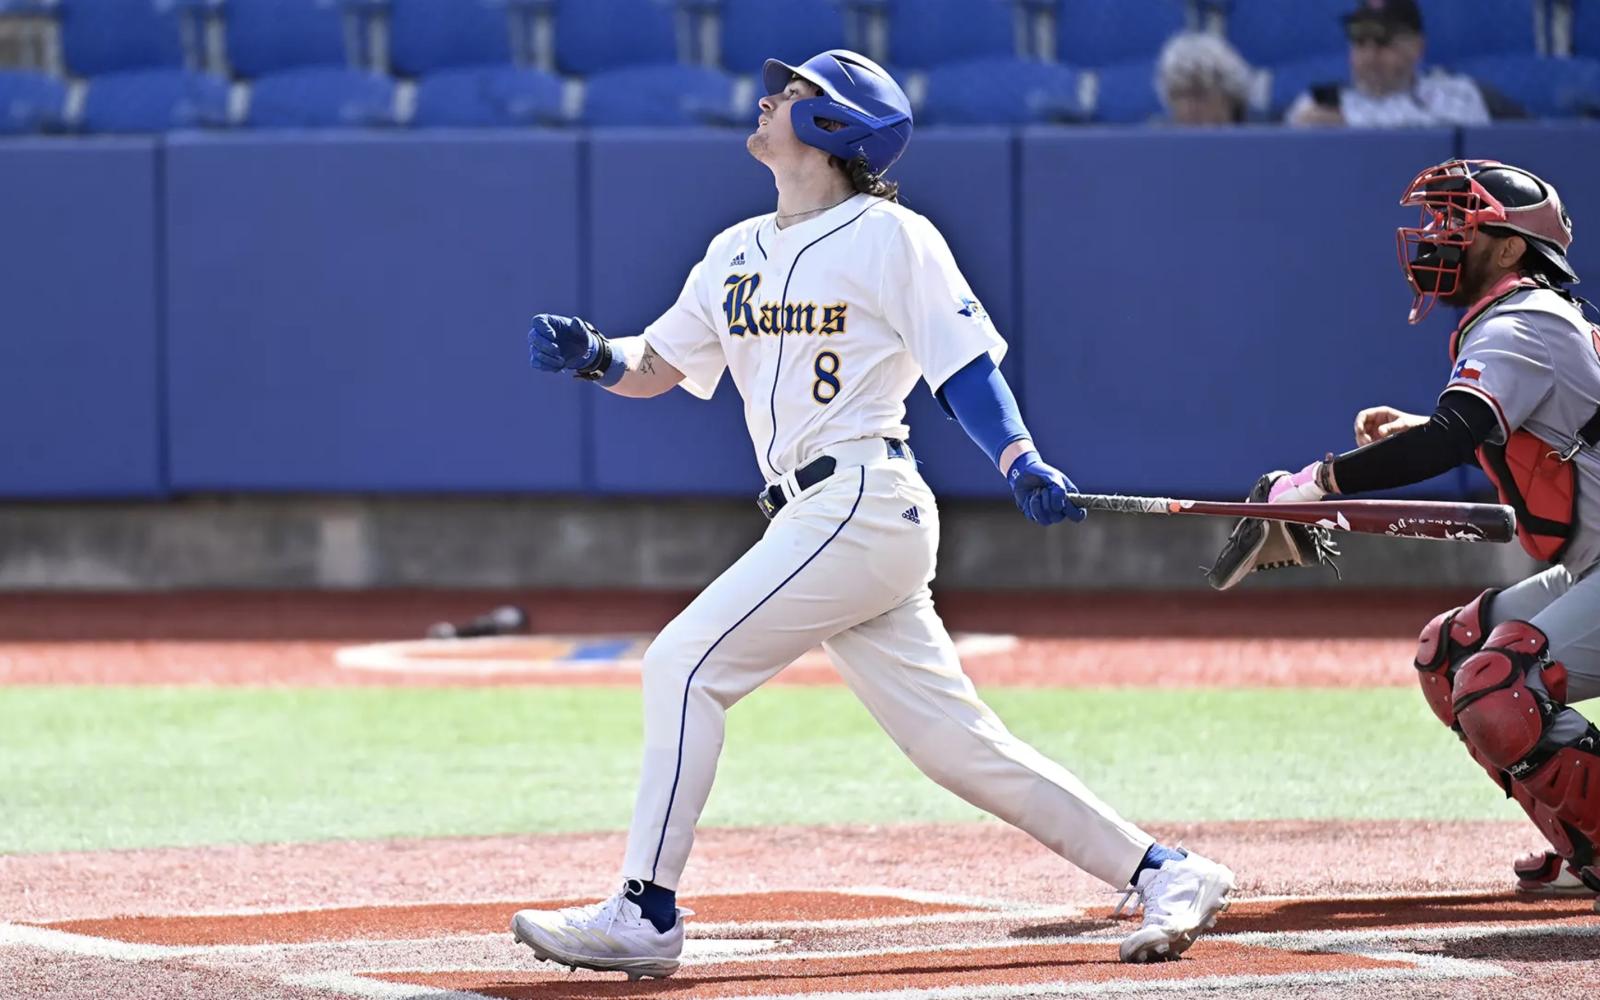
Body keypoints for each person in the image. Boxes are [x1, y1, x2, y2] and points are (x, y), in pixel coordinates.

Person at [508, 49, 1235, 979]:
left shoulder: (893, 237)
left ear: (834, 127)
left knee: (683, 665)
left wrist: (1018, 457)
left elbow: (965, 367)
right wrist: (592, 355)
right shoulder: (734, 247)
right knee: (958, 749)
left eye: (796, 92)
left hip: (858, 496)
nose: (771, 97)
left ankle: (644, 910)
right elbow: (659, 366)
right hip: (815, 518)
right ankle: (1166, 868)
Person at [1258, 159, 1600, 904]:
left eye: (1458, 224)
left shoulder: (1522, 321)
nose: (1437, 239)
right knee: (1451, 655)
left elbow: (1449, 440)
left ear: (1509, 248)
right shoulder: (1527, 318)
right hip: (1592, 566)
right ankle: (1586, 844)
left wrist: (1315, 484)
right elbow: (1516, 436)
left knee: (1499, 682)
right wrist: (1422, 429)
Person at [1286, 0, 1491, 128]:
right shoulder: (1319, 105)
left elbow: (1450, 146)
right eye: (1359, 41)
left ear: (1417, 47)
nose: (1370, 54)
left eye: (1383, 41)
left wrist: (1349, 128)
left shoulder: (1455, 93)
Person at [1156, 30, 1254, 126]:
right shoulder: (1154, 139)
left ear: (1230, 99)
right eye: (1178, 96)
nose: (1186, 108)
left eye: (1198, 95)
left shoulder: (1258, 140)